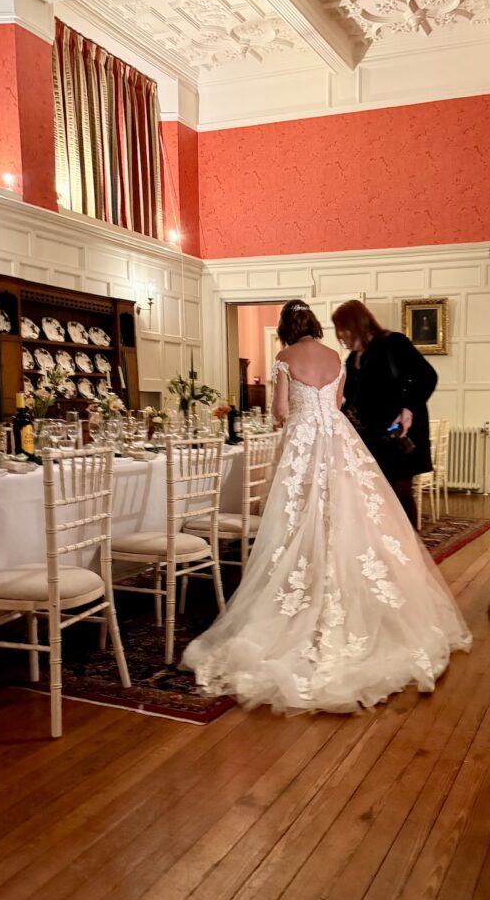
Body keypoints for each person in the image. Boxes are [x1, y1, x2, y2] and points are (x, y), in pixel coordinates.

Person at [180, 300, 471, 715]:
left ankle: (304, 589)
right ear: (316, 324)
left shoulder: (284, 357)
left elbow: (281, 410)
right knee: (348, 512)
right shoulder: (338, 357)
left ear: (285, 329)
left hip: (302, 439)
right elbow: (335, 404)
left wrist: (292, 418)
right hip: (338, 439)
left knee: (297, 516)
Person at [332, 299, 437, 527]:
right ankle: (386, 547)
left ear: (356, 324)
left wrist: (408, 408)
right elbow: (354, 399)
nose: (340, 336)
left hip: (398, 434)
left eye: (342, 329)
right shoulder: (353, 359)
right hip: (370, 438)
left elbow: (427, 376)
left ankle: (409, 548)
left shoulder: (393, 344)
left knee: (400, 490)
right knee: (375, 493)